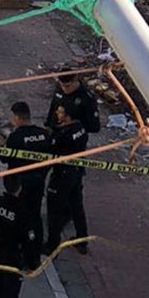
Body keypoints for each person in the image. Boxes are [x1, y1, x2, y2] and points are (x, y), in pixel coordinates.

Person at [0, 101, 52, 259]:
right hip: (38, 182)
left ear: (16, 117)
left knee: (18, 216)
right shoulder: (43, 134)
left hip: (19, 184)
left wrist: (1, 145)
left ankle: (19, 248)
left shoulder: (16, 137)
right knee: (35, 215)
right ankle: (35, 248)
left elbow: (4, 159)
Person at [44, 102, 90, 256]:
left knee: (55, 211)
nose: (57, 113)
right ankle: (82, 240)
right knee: (77, 207)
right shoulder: (81, 128)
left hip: (62, 176)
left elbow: (51, 149)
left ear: (68, 116)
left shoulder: (64, 134)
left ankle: (52, 246)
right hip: (77, 173)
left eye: (61, 112)